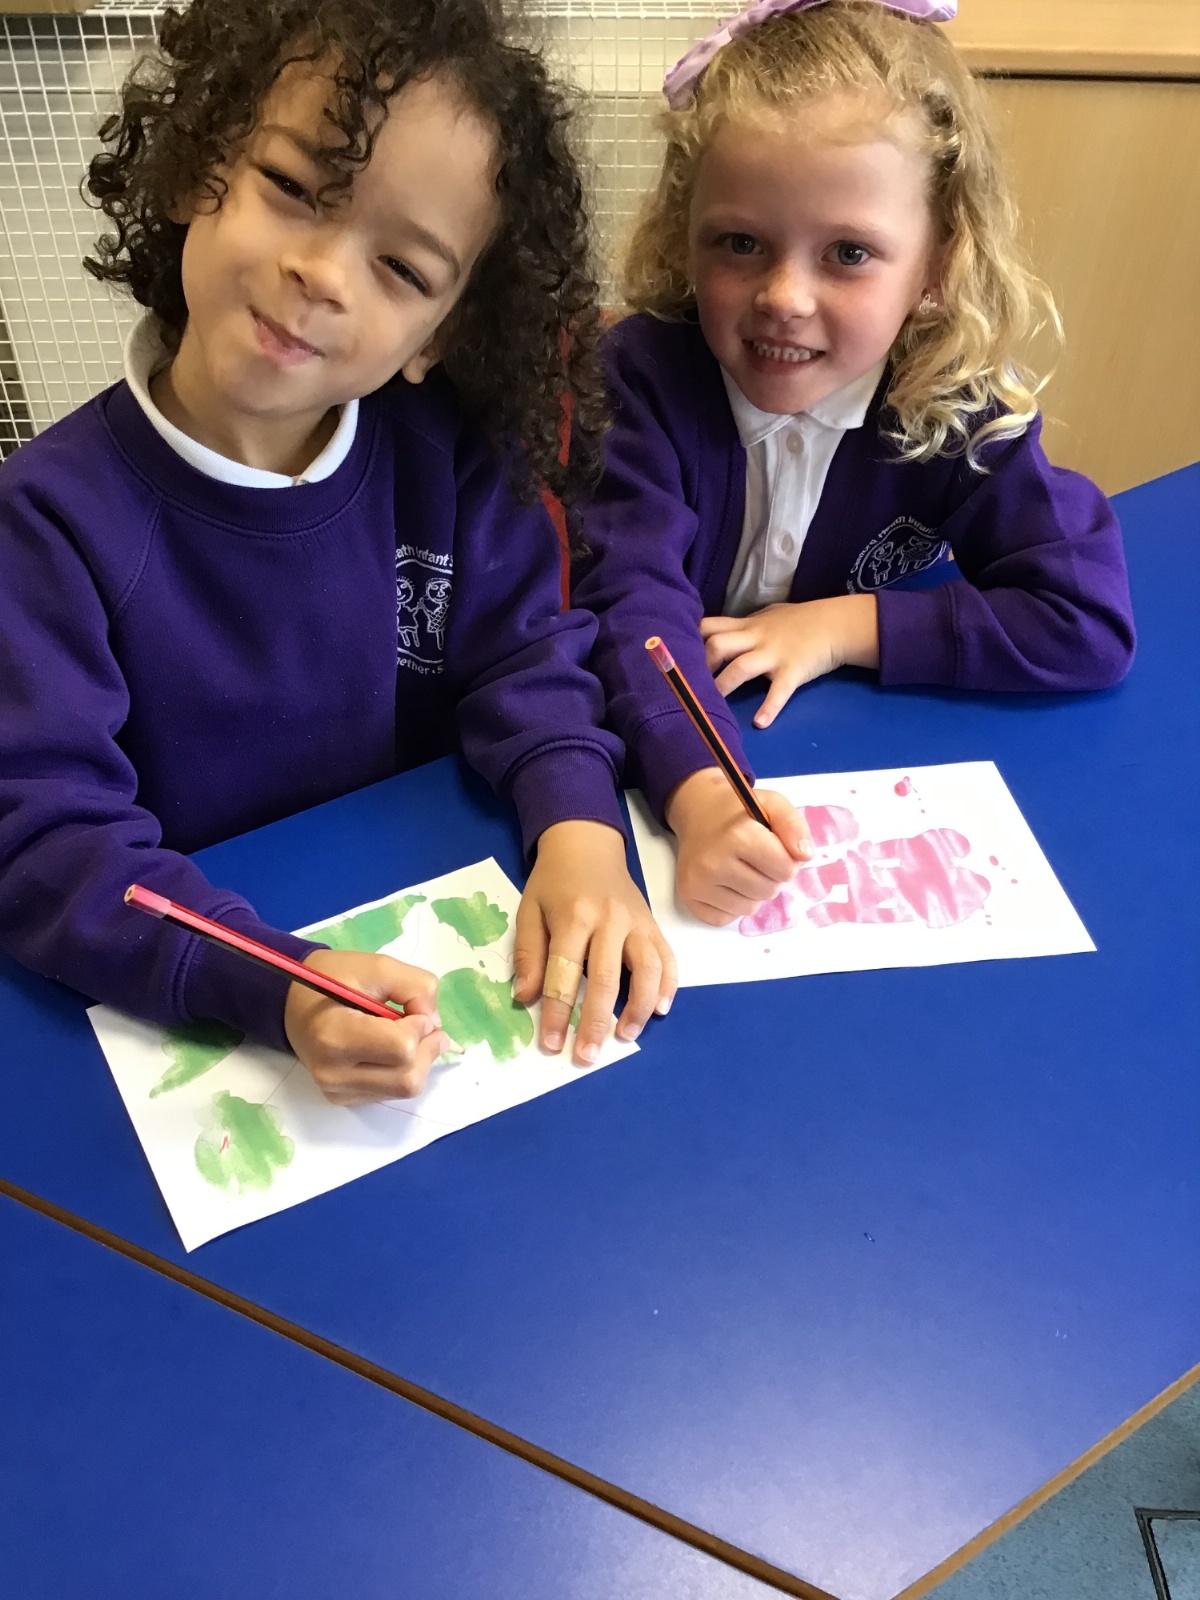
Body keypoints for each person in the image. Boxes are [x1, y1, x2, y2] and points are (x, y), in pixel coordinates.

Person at [0, 0, 676, 1107]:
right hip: (196, 1022)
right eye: (293, 186)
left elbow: (525, 658)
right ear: (196, 169)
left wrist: (581, 829)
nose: (323, 271)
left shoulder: (448, 461)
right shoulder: (44, 525)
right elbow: (49, 844)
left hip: (440, 956)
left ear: (437, 338)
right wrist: (278, 987)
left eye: (402, 269)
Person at [572, 0, 1135, 928]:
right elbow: (629, 604)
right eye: (739, 243)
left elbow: (1085, 618)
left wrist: (843, 628)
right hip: (659, 750)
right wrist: (702, 792)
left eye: (848, 254)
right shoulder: (643, 380)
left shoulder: (952, 407)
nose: (784, 297)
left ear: (937, 265)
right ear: (684, 235)